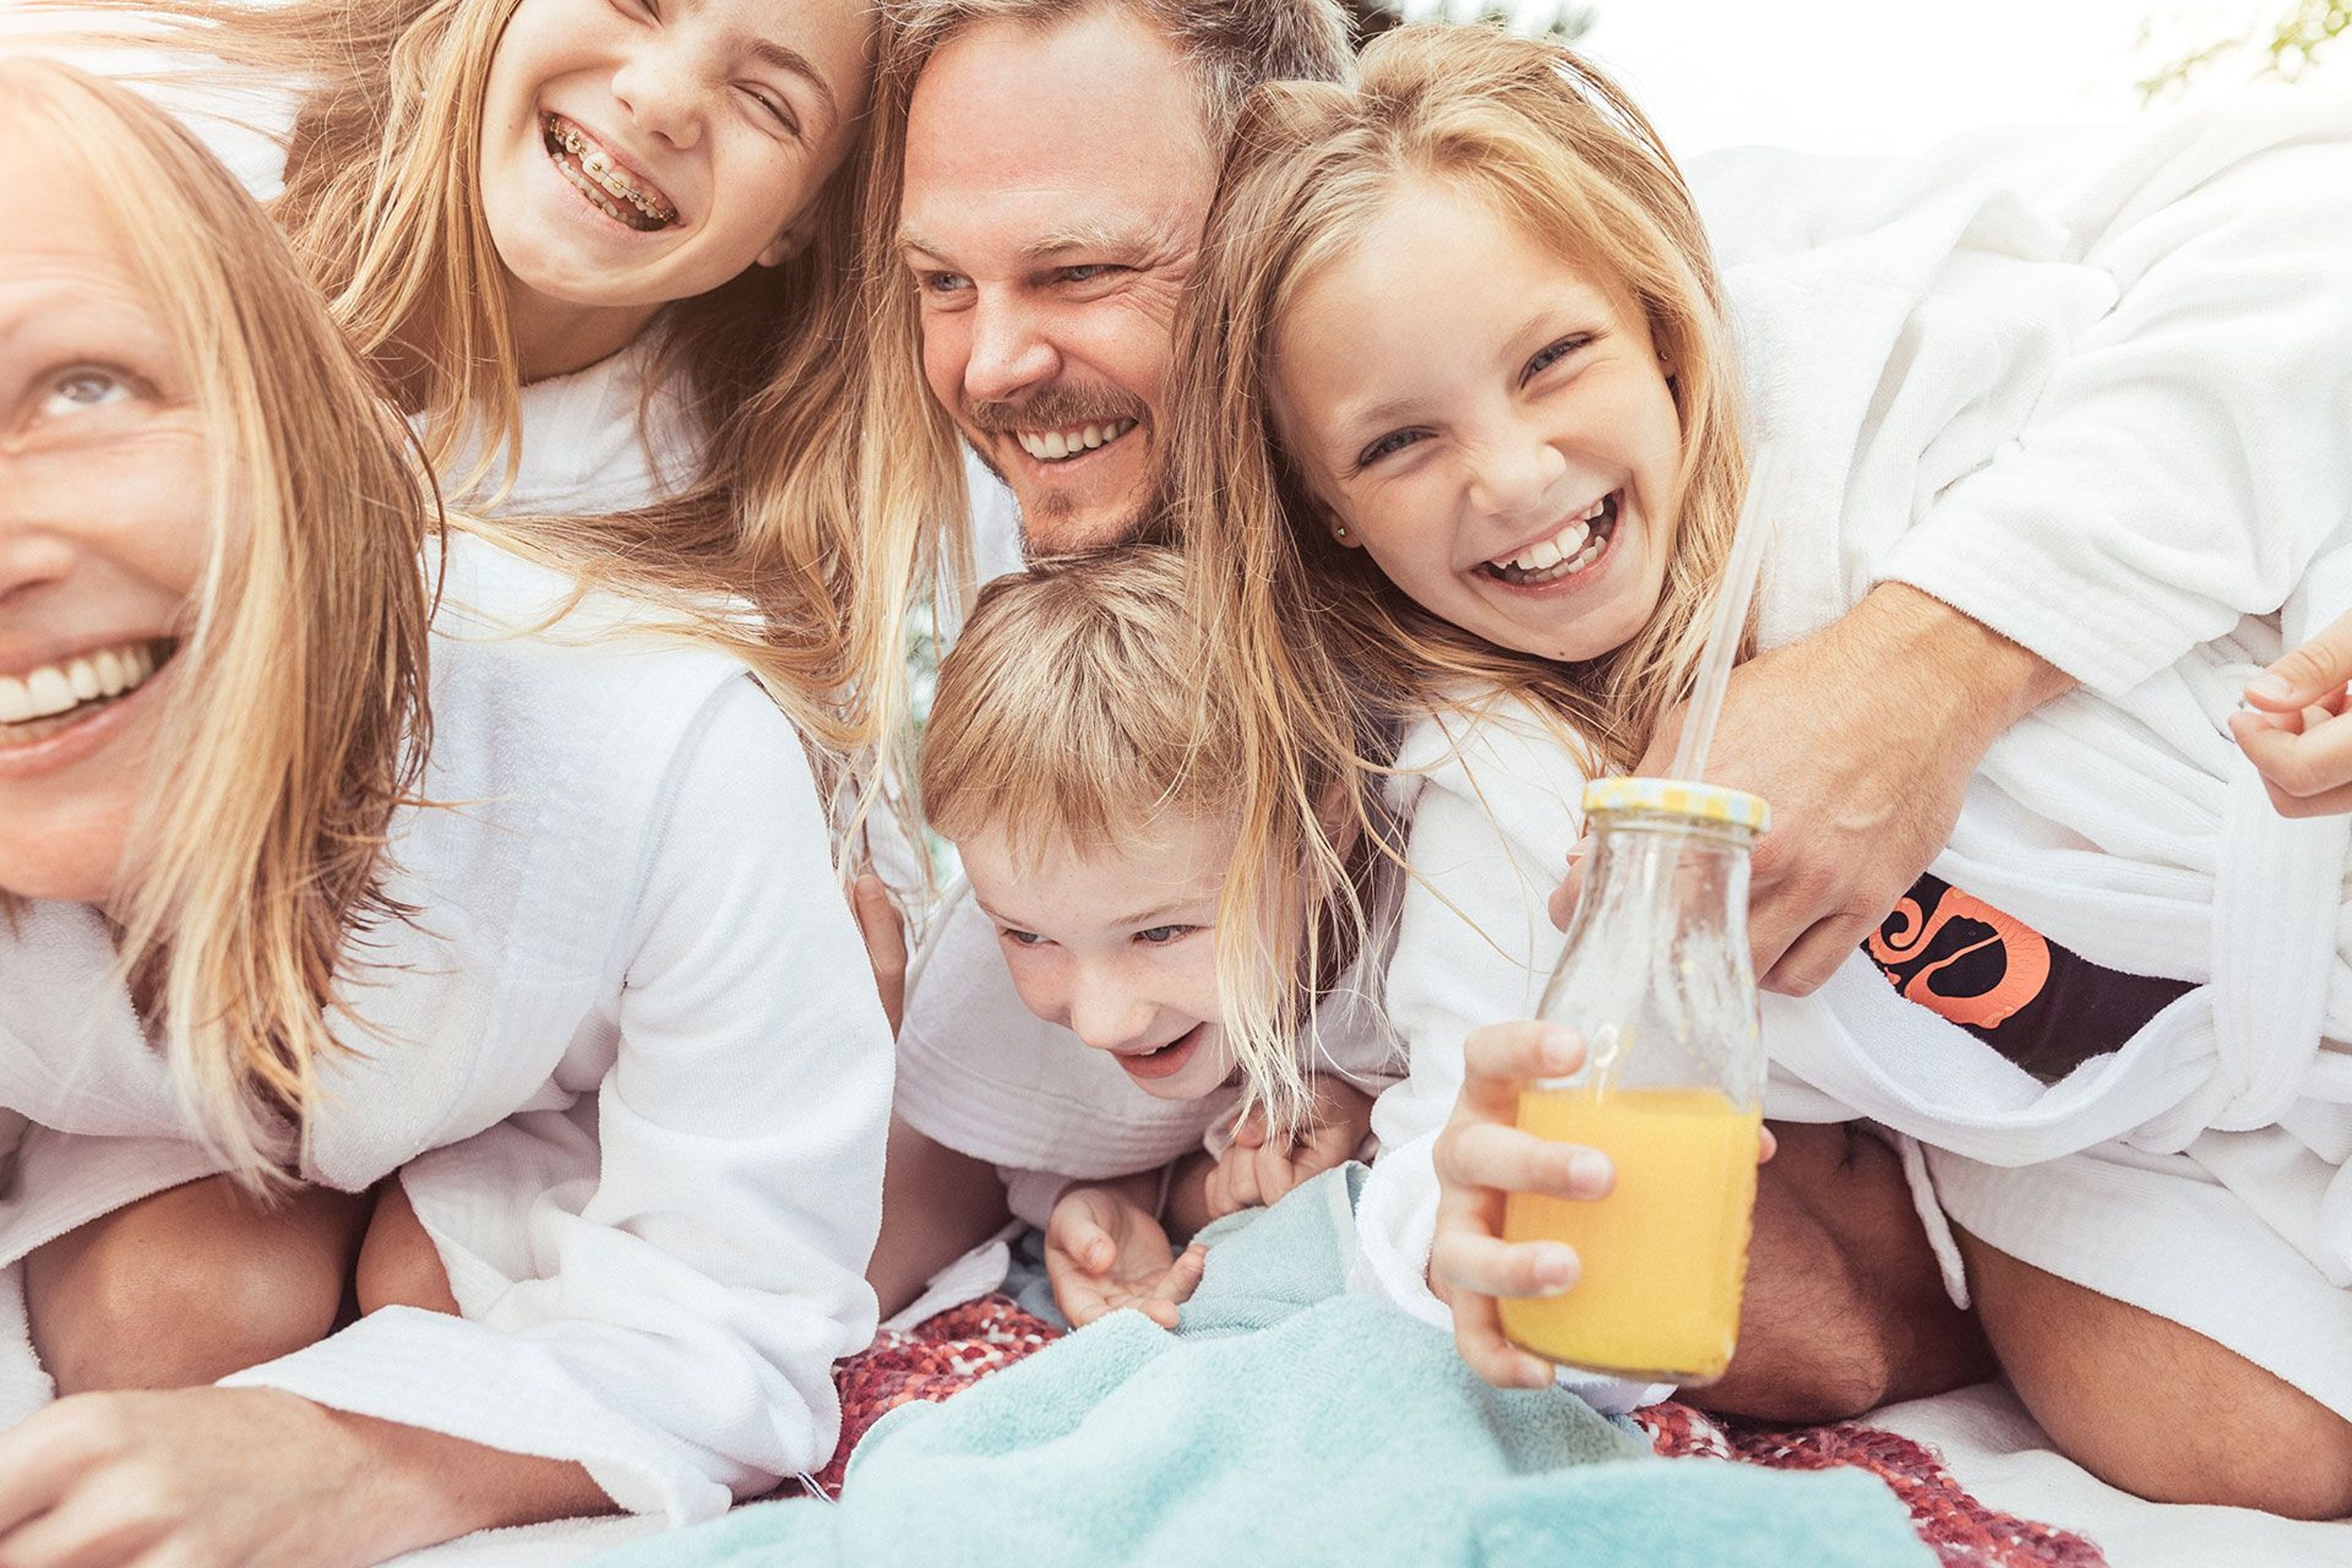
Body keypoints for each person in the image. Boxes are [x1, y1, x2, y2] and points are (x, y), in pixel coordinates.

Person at [1172, 23, 2352, 1512]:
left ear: (1662, 324)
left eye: (1554, 359)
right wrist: (1454, 1234)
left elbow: (2296, 338)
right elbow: (1464, 1130)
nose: (1515, 474)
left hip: (2296, 860)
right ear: (1329, 511)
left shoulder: (1881, 409)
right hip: (2126, 1121)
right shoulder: (1494, 788)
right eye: (1398, 442)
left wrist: (1942, 655)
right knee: (2237, 1444)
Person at [0, 58, 893, 1565]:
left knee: (431, 1292)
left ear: (285, 403)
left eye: (83, 389)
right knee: (174, 1316)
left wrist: (344, 1456)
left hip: (535, 1087)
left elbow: (742, 1304)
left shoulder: (663, 749)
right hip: (174, 1121)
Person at [858, 0, 1362, 1316]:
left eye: (1079, 271)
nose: (989, 367)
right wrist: (1154, 1201)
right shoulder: (1053, 577)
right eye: (943, 283)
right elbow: (930, 1185)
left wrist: (1899, 666)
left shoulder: (1513, 513)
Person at [911, 548, 1400, 1325]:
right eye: (1026, 937)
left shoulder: (1426, 943)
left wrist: (1363, 1110)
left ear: (1321, 839)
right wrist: (1144, 1197)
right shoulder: (1019, 958)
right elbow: (1073, 1139)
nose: (1100, 1024)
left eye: (1162, 932)